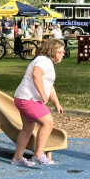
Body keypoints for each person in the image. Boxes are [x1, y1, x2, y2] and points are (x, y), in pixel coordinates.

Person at [11, 39, 65, 167]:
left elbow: (49, 85)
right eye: (60, 52)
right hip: (29, 98)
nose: (62, 54)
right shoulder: (44, 61)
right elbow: (36, 74)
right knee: (48, 123)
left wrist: (56, 102)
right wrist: (42, 94)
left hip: (23, 97)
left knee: (27, 128)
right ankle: (38, 154)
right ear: (52, 51)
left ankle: (17, 158)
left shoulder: (44, 61)